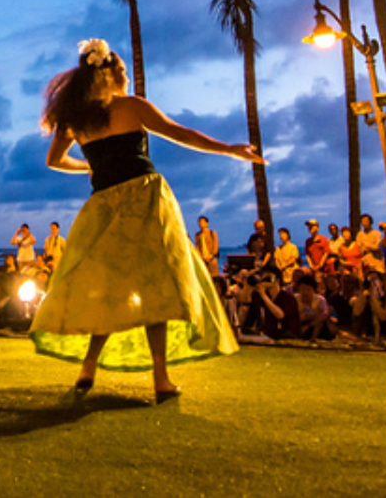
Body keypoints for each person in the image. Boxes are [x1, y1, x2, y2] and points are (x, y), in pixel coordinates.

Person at [29, 38, 261, 402]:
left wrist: (90, 166)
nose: (125, 78)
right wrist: (228, 149)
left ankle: (88, 367)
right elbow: (181, 134)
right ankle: (161, 378)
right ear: (110, 74)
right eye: (121, 72)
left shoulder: (77, 119)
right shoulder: (132, 106)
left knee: (108, 290)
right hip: (145, 199)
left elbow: (54, 161)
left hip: (104, 205)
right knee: (157, 289)